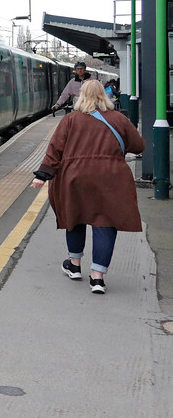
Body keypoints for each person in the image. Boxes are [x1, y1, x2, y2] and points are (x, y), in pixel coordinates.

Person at [30, 80, 144, 294]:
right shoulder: (119, 118)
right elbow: (138, 146)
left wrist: (42, 175)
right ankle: (97, 278)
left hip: (75, 177)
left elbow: (55, 150)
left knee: (74, 217)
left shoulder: (70, 120)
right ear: (105, 95)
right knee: (105, 223)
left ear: (81, 96)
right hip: (110, 178)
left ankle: (74, 266)